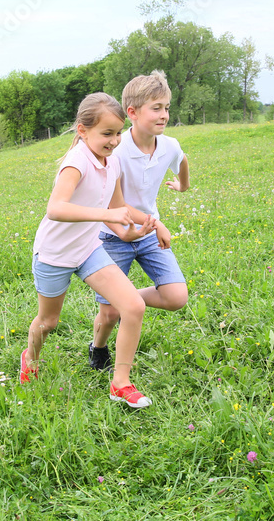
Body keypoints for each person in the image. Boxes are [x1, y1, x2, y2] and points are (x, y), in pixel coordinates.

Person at [21, 93, 157, 408]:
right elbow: (56, 208)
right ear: (83, 131)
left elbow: (118, 207)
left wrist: (137, 229)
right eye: (106, 133)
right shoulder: (76, 162)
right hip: (54, 254)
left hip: (87, 250)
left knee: (133, 307)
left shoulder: (114, 162)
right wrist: (107, 217)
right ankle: (31, 357)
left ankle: (120, 383)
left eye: (118, 132)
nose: (114, 140)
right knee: (49, 322)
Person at [88, 71, 190, 371]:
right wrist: (154, 224)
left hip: (147, 232)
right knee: (109, 315)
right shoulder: (116, 151)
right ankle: (98, 347)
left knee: (176, 297)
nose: (164, 115)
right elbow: (110, 203)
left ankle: (127, 299)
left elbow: (182, 159)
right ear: (131, 112)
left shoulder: (169, 145)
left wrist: (182, 185)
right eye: (156, 108)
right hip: (112, 235)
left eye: (167, 108)